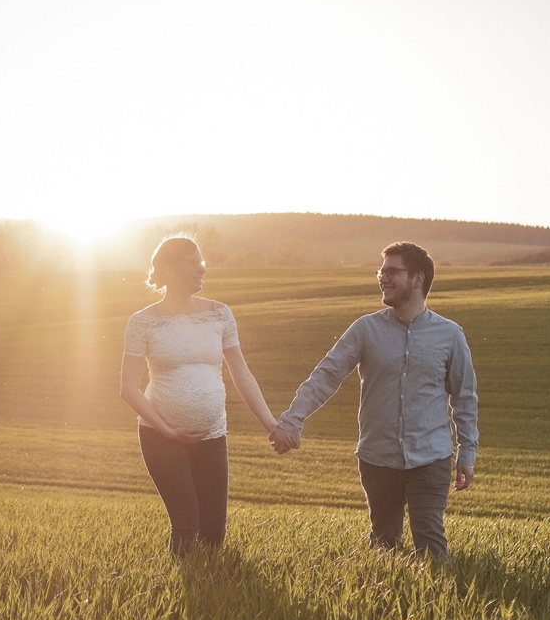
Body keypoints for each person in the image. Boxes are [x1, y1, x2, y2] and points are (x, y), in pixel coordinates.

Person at [270, 242, 477, 560]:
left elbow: (464, 397)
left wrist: (467, 452)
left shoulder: (450, 335)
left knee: (431, 545)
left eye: (392, 271)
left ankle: (437, 607)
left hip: (431, 457)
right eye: (381, 271)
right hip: (376, 458)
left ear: (417, 278)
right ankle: (388, 602)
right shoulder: (365, 329)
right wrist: (292, 419)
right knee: (384, 543)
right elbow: (327, 375)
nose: (383, 278)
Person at [121, 235, 278, 555]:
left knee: (213, 534)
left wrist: (271, 425)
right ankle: (182, 596)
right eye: (192, 262)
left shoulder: (220, 314)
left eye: (201, 261)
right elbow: (128, 388)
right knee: (186, 522)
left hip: (212, 436)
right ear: (167, 268)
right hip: (160, 436)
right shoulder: (142, 322)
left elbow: (242, 375)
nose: (201, 268)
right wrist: (168, 430)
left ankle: (212, 596)